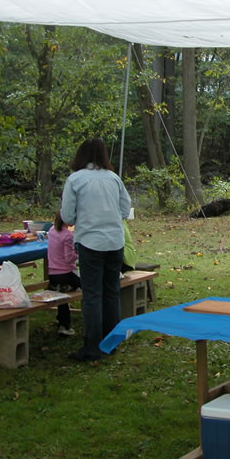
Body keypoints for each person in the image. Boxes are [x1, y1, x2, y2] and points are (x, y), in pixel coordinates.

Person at [61, 138, 132, 362]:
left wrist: (86, 218)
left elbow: (67, 216)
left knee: (92, 295)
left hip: (90, 242)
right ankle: (111, 343)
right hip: (115, 241)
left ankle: (92, 347)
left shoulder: (75, 179)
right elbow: (125, 209)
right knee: (111, 293)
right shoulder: (114, 178)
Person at [47, 211, 77, 337]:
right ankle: (66, 325)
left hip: (52, 274)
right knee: (89, 285)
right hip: (66, 274)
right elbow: (69, 258)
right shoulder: (67, 235)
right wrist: (79, 253)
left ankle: (63, 324)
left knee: (61, 295)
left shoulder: (51, 231)